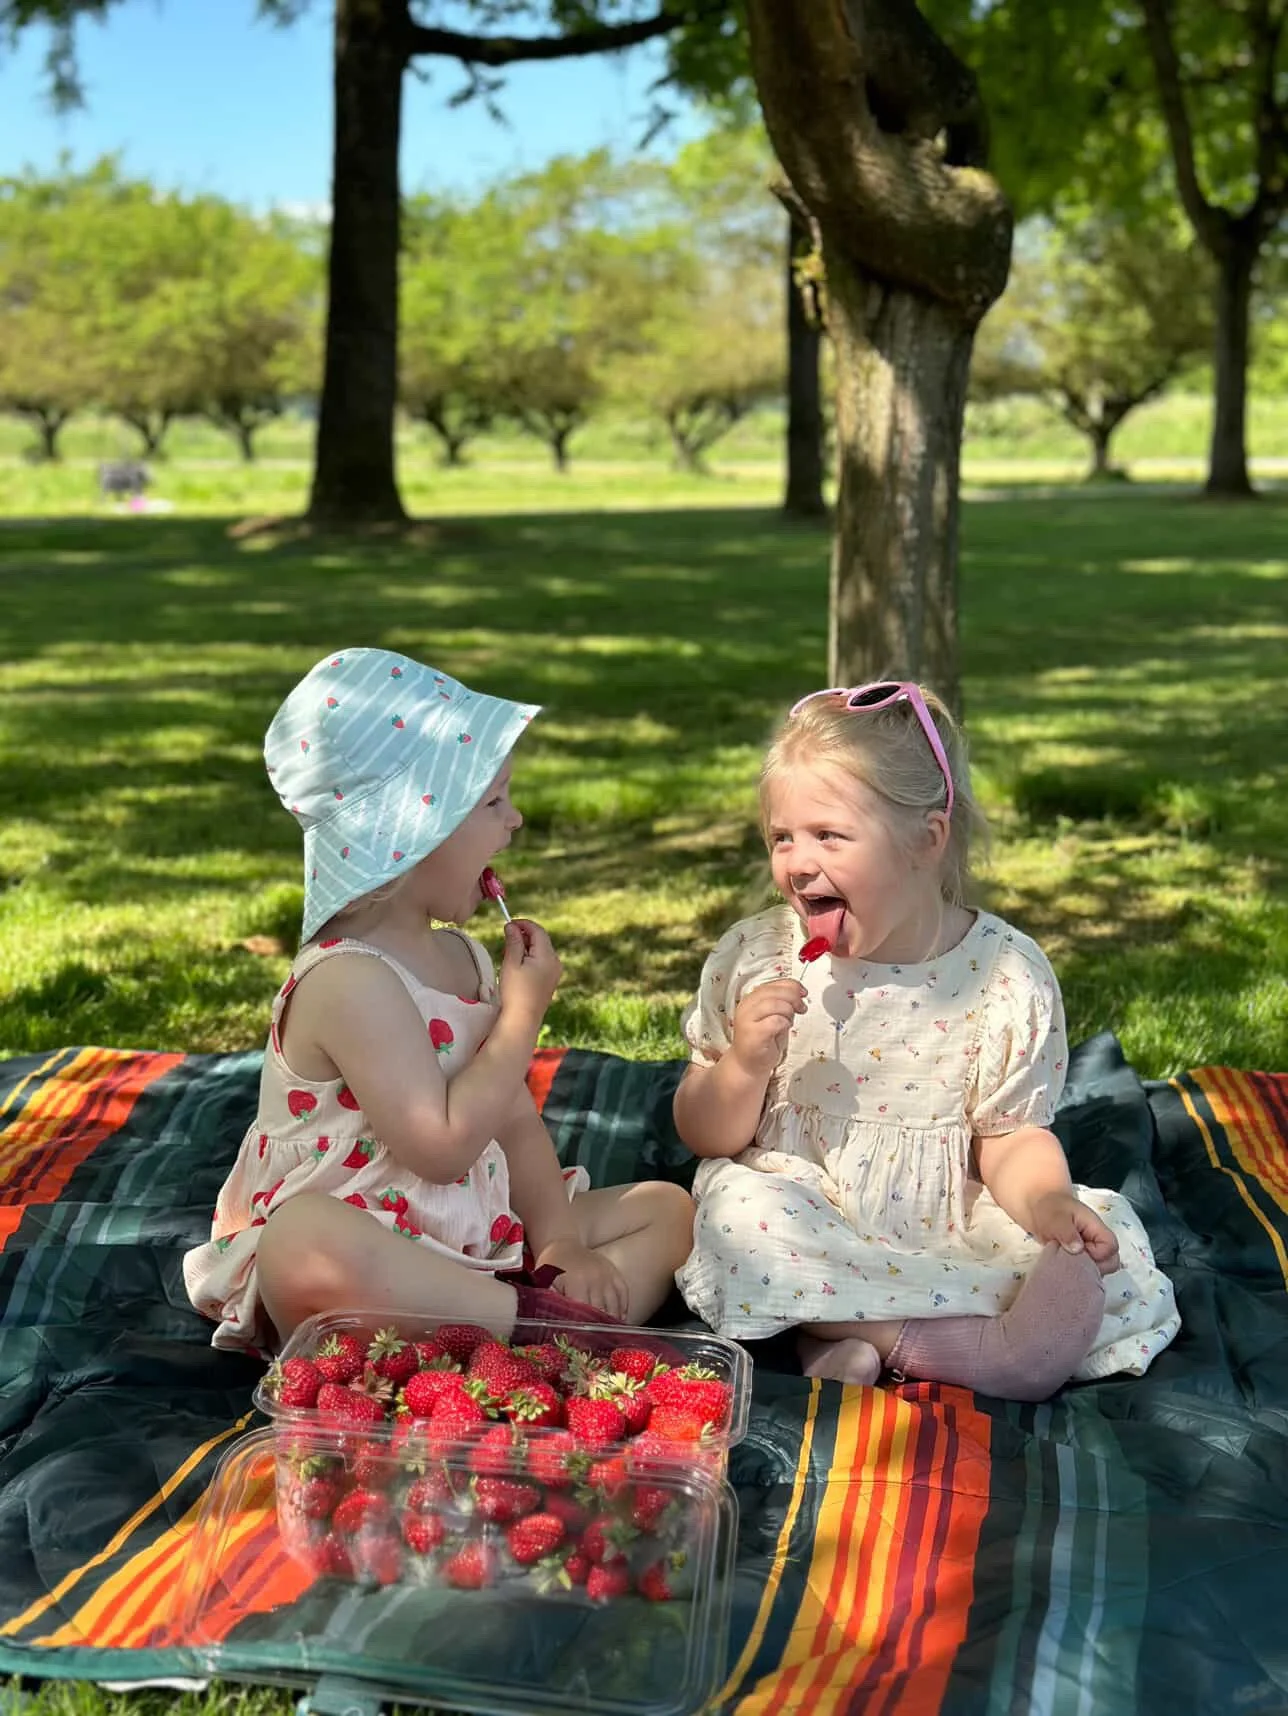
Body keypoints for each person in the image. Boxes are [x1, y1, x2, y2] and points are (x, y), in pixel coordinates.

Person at [672, 681, 1179, 1400]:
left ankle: (836, 1336)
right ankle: (979, 1353)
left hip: (938, 1223)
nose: (798, 861)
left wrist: (1049, 1204)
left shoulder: (1001, 974)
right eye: (782, 836)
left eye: (830, 835)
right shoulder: (758, 956)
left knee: (1101, 1243)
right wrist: (744, 1066)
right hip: (799, 1207)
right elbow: (705, 1134)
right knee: (737, 1218)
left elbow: (1008, 1136)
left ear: (926, 840)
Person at [184, 647, 695, 1353]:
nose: (514, 821)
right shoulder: (347, 978)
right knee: (302, 1239)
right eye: (492, 802)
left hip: (472, 1243)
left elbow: (511, 1121)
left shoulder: (462, 957)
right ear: (408, 833)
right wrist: (523, 1017)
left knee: (668, 1210)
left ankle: (522, 1333)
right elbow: (440, 1148)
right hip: (370, 1269)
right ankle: (545, 1333)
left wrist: (562, 1246)